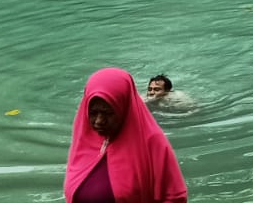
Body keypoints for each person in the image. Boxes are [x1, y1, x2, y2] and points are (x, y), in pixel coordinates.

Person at [64, 68, 188, 203]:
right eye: (93, 113)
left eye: (108, 113)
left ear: (124, 107)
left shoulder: (151, 141)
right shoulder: (83, 138)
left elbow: (174, 197)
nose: (99, 121)